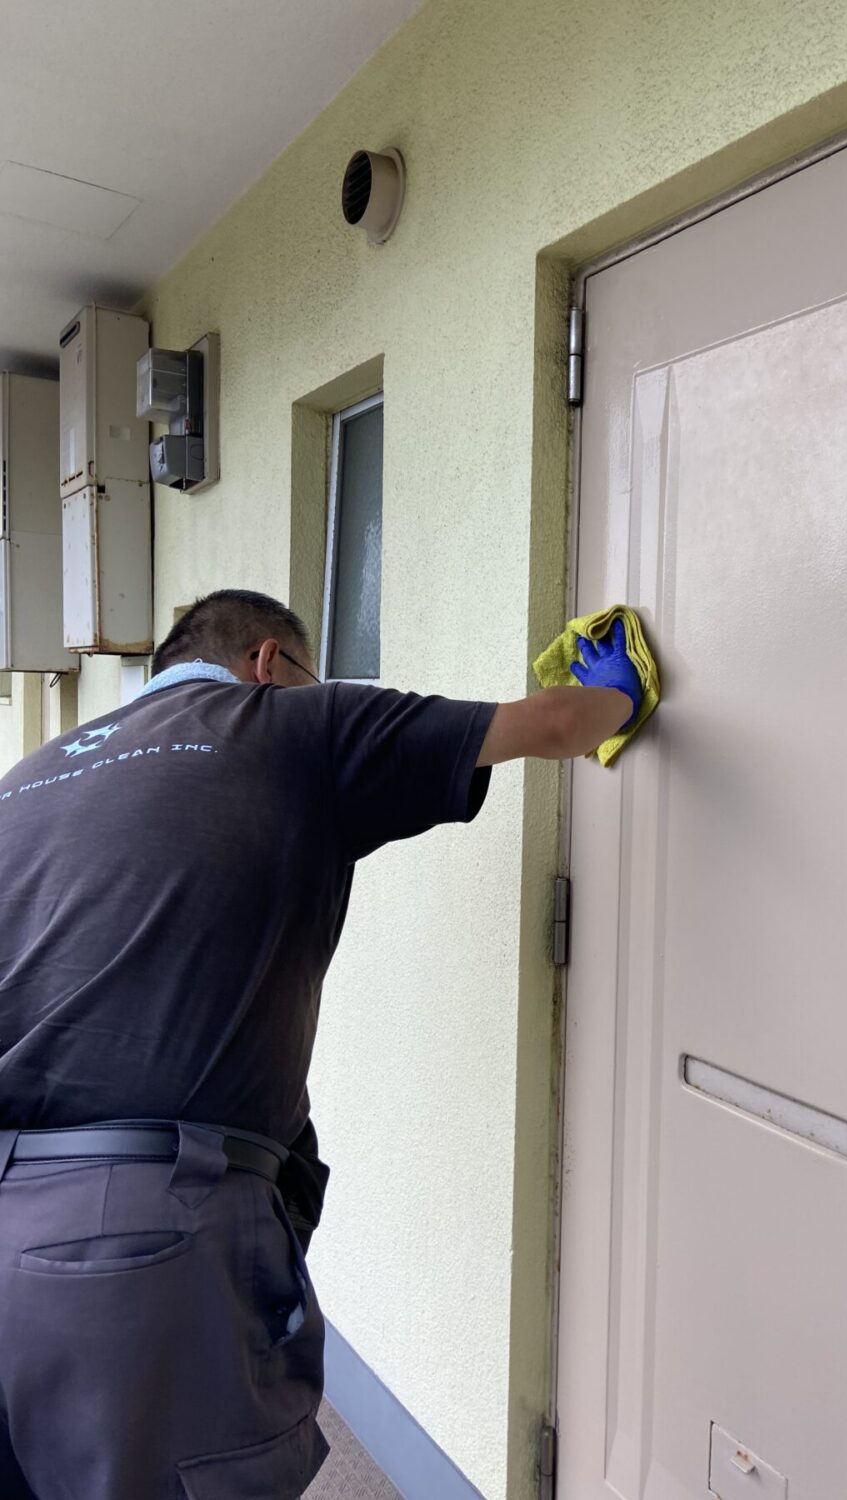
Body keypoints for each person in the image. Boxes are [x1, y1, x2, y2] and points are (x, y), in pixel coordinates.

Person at [0, 589, 642, 1500]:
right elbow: (554, 725)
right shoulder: (291, 722)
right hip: (133, 1243)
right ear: (268, 662)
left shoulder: (28, 779)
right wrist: (620, 691)